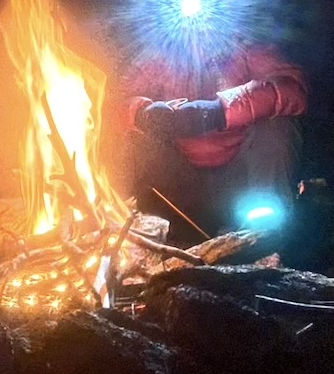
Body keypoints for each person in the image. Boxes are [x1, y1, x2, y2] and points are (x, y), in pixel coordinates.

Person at [113, 43, 307, 239]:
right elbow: (117, 100)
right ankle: (130, 227)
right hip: (184, 179)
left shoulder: (245, 46)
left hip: (241, 176)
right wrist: (145, 114)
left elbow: (290, 87)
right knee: (135, 135)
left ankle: (265, 233)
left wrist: (217, 111)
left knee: (277, 126)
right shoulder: (160, 54)